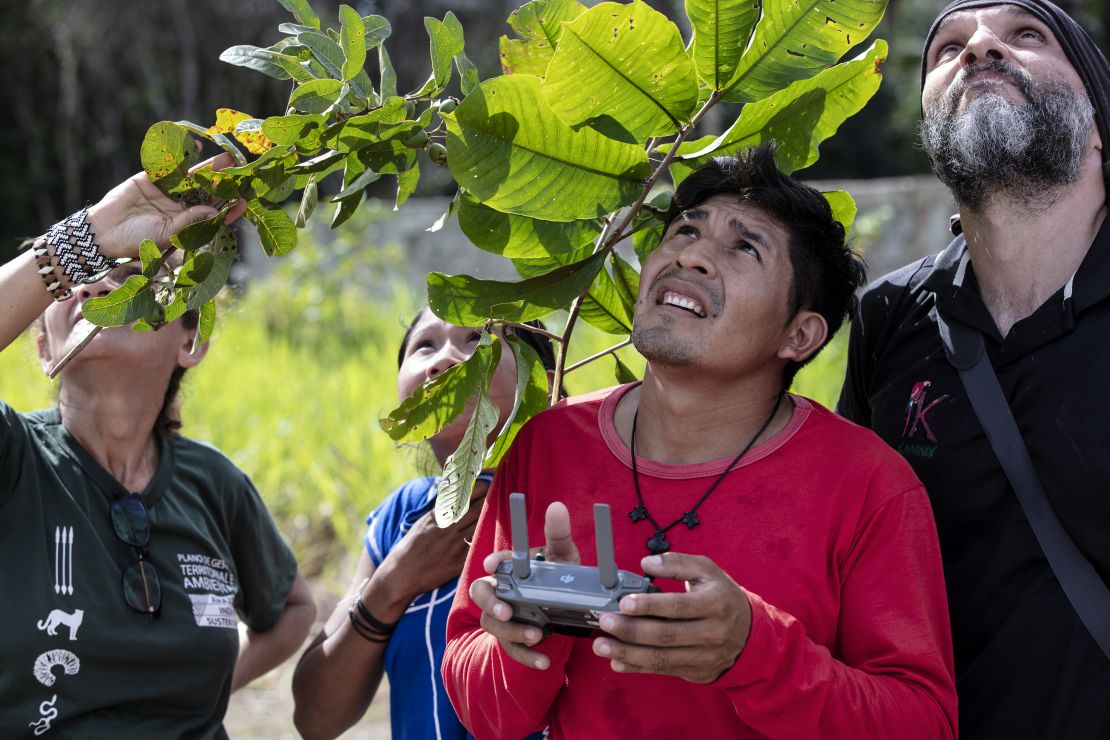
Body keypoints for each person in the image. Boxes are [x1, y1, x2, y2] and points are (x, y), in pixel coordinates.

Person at [442, 145, 958, 739]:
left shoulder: (869, 484)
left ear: (799, 335)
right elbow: (485, 713)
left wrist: (754, 651)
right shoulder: (548, 446)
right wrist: (532, 631)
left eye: (744, 247)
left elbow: (924, 724)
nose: (692, 255)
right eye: (685, 229)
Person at [837, 1, 1110, 736]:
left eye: (1027, 35)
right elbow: (837, 553)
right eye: (947, 47)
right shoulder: (886, 318)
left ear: (1098, 118)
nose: (980, 47)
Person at [0, 157, 315, 737]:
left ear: (190, 338)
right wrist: (85, 239)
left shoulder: (213, 485)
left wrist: (203, 698)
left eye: (131, 275)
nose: (95, 283)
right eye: (71, 284)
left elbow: (293, 609)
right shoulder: (15, 461)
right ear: (44, 351)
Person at [292, 308, 556, 740]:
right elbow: (315, 719)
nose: (442, 360)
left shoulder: (578, 504)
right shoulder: (401, 519)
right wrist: (395, 580)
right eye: (424, 346)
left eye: (476, 339)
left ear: (545, 383)